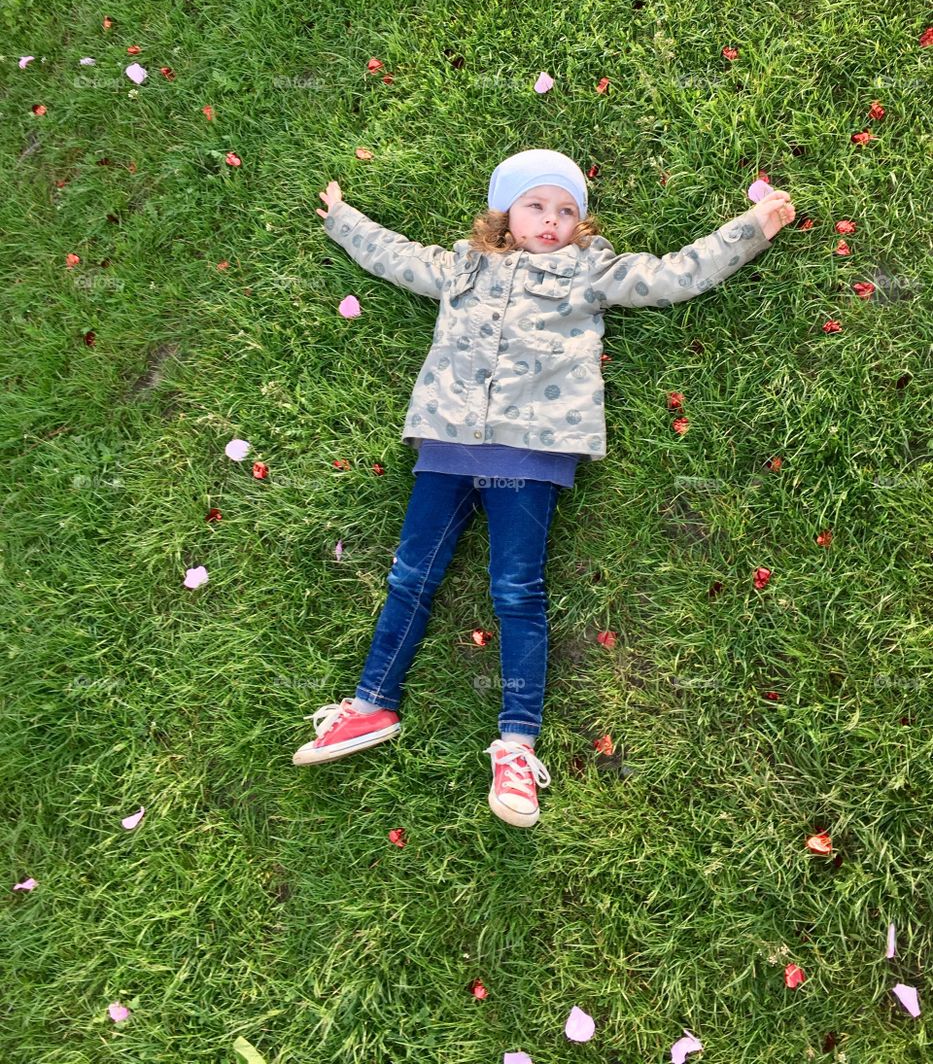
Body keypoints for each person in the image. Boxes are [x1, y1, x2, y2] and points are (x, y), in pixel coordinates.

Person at [291, 148, 795, 829]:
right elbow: (395, 256)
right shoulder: (462, 266)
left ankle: (517, 747)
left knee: (515, 591)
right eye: (536, 205)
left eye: (566, 209)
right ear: (504, 213)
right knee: (411, 576)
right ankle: (371, 704)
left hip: (532, 452)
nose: (551, 219)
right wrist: (343, 219)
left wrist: (751, 228)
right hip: (446, 441)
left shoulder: (590, 270)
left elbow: (672, 275)